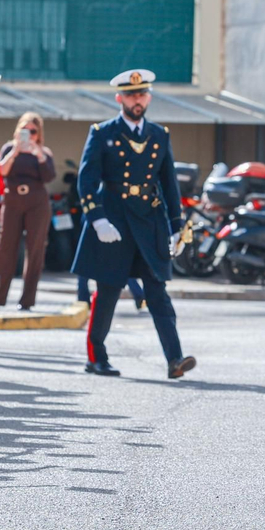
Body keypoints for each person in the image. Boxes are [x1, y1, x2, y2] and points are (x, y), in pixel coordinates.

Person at [72, 70, 196, 381]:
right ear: (120, 98)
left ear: (149, 98)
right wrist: (96, 218)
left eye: (141, 94)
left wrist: (175, 226)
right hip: (114, 222)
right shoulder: (102, 132)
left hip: (148, 222)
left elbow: (169, 185)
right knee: (109, 292)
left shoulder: (159, 134)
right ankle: (96, 358)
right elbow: (87, 180)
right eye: (131, 95)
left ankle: (175, 359)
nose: (136, 100)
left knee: (157, 291)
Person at [0, 111, 56, 311]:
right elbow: (2, 171)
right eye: (25, 130)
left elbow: (49, 177)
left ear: (39, 133)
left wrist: (39, 154)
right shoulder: (10, 148)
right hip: (12, 200)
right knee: (4, 249)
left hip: (37, 201)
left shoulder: (44, 152)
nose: (29, 134)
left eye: (33, 131)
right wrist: (16, 150)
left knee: (35, 249)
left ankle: (27, 301)